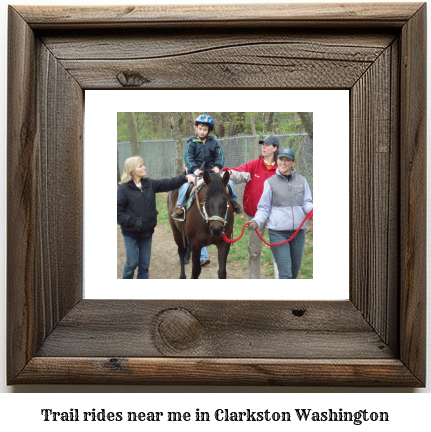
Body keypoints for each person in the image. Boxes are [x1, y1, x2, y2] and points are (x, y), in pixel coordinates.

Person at [117, 155, 194, 279]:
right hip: (130, 233)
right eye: (140, 166)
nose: (144, 167)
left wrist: (185, 177)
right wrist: (133, 223)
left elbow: (169, 183)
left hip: (146, 233)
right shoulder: (123, 189)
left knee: (144, 265)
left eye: (143, 165)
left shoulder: (149, 184)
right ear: (132, 171)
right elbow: (118, 213)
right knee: (131, 264)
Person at [248, 147, 313, 279]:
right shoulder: (270, 183)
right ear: (277, 160)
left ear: (293, 163)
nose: (283, 163)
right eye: (281, 159)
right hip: (278, 233)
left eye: (287, 160)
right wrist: (256, 221)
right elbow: (264, 208)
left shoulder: (302, 181)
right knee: (285, 273)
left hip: (298, 233)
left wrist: (312, 209)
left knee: (294, 273)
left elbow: (306, 202)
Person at [223, 135, 280, 279]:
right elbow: (239, 173)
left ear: (275, 148)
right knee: (254, 250)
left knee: (279, 250)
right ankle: (254, 282)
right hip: (255, 215)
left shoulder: (281, 167)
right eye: (263, 144)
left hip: (277, 216)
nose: (264, 147)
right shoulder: (254, 165)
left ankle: (282, 281)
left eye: (267, 145)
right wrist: (229, 173)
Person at [171, 114, 242, 221]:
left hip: (211, 173)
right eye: (200, 129)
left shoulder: (214, 143)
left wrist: (218, 166)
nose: (202, 131)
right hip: (196, 173)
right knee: (185, 186)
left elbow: (220, 155)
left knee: (230, 183)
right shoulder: (192, 143)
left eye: (205, 129)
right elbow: (188, 157)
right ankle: (180, 207)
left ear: (209, 130)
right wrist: (194, 169)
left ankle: (234, 202)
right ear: (196, 128)